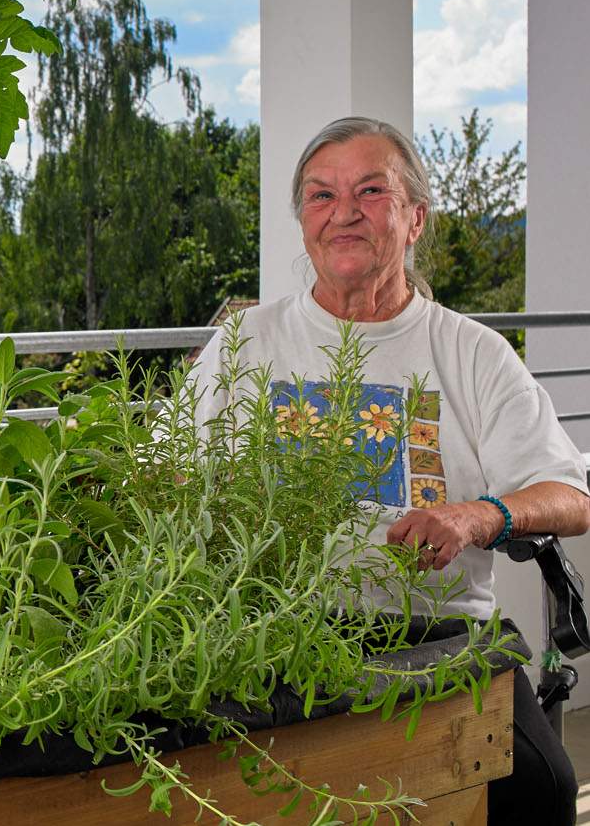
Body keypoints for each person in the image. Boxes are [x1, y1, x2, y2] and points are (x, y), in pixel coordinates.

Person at [190, 116, 590, 826]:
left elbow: (570, 494)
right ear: (304, 223)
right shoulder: (246, 342)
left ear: (414, 219)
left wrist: (478, 515)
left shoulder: (472, 352)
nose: (343, 211)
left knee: (541, 786)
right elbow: (164, 467)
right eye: (320, 196)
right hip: (272, 632)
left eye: (371, 190)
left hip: (434, 638)